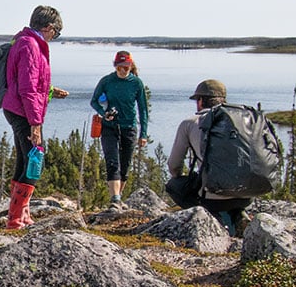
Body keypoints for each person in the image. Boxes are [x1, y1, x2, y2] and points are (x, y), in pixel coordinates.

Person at [1, 5, 68, 229]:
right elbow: (27, 89)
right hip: (23, 112)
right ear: (49, 27)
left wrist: (50, 90)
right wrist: (35, 124)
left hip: (17, 108)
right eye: (55, 33)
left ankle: (21, 214)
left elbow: (31, 82)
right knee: (34, 160)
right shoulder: (30, 45)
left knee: (24, 159)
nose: (54, 38)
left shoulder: (25, 41)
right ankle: (16, 218)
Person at [167, 79, 252, 235]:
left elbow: (174, 165)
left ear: (200, 101)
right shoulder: (243, 120)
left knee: (173, 186)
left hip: (212, 198)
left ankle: (213, 218)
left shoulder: (190, 123)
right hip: (246, 194)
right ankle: (238, 214)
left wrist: (183, 178)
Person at [89, 50, 149, 206]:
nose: (123, 70)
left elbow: (143, 109)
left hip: (129, 127)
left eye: (126, 66)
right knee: (112, 161)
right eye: (120, 66)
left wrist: (143, 134)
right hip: (109, 127)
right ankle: (115, 198)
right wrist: (103, 113)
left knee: (125, 163)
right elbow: (94, 101)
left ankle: (119, 197)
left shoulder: (136, 83)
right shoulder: (107, 81)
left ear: (131, 66)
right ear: (115, 66)